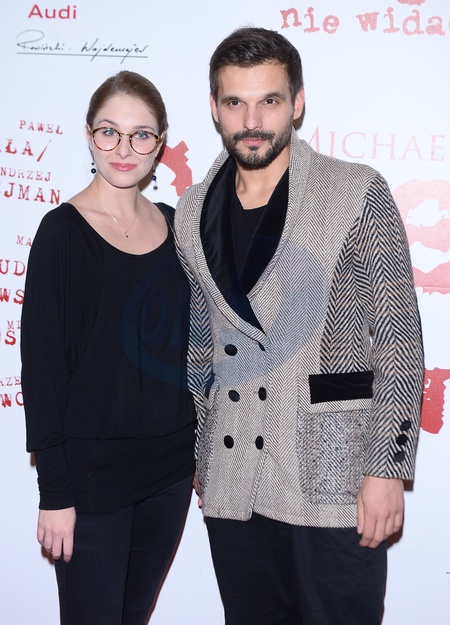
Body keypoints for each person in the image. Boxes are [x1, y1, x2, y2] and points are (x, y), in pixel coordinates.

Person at [174, 27, 424, 625]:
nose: (252, 121)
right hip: (233, 476)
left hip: (332, 473)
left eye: (269, 100)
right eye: (235, 102)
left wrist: (387, 468)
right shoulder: (190, 210)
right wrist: (201, 452)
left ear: (298, 102)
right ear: (214, 108)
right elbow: (201, 346)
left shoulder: (356, 190)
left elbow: (399, 338)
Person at [21, 71, 198, 625]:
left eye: (141, 135)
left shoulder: (176, 227)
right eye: (109, 132)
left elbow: (192, 350)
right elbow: (43, 372)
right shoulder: (61, 233)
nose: (124, 149)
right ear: (89, 135)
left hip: (169, 472)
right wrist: (55, 492)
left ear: (160, 145)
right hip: (91, 479)